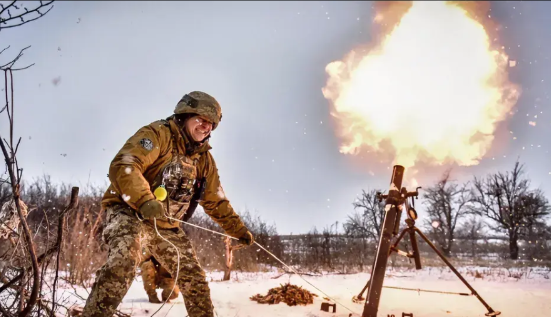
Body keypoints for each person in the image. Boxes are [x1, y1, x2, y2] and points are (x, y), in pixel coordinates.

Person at [81, 91, 254, 317]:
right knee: (123, 261)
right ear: (184, 116)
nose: (206, 127)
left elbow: (215, 200)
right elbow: (125, 165)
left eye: (211, 124)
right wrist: (144, 200)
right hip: (130, 213)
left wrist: (237, 230)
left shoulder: (203, 159)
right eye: (201, 120)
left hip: (166, 227)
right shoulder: (157, 135)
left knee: (194, 279)